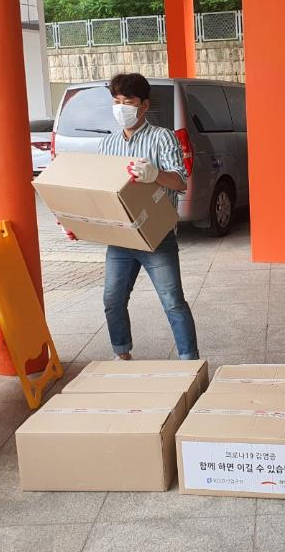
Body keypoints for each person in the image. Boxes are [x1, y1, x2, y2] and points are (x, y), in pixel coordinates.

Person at [64, 73, 199, 361]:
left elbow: (181, 181)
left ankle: (189, 359)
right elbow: (100, 194)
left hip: (156, 237)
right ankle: (121, 354)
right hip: (121, 237)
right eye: (116, 101)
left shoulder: (163, 138)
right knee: (112, 300)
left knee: (173, 302)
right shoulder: (107, 145)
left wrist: (155, 175)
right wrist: (80, 225)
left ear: (144, 105)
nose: (121, 107)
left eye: (128, 101)